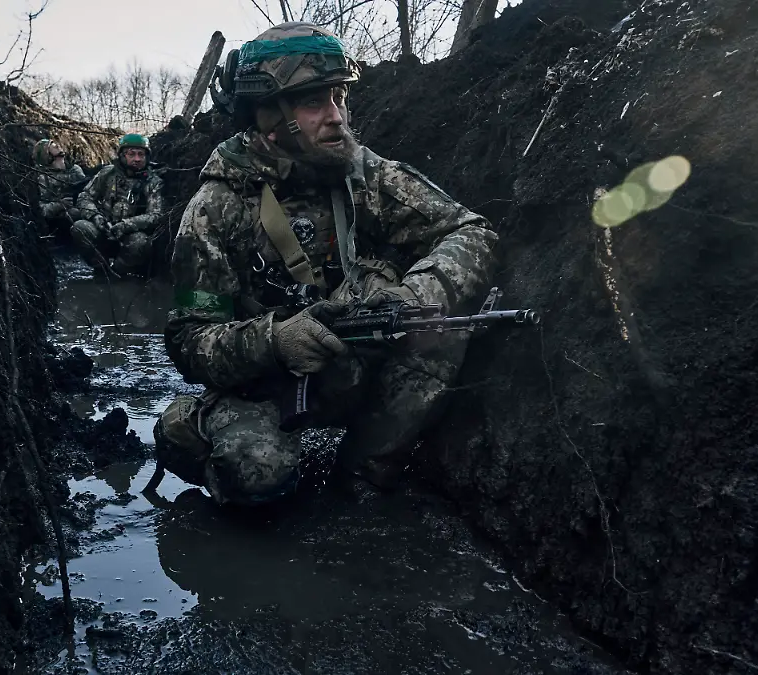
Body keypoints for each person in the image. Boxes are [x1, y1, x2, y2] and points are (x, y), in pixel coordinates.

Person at [152, 22, 500, 506]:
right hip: (262, 388)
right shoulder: (216, 207)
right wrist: (276, 339)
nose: (337, 118)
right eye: (315, 102)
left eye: (340, 97)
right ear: (268, 113)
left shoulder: (363, 173)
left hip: (351, 366)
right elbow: (190, 341)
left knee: (441, 331)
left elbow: (472, 231)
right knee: (257, 478)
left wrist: (414, 296)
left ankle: (362, 479)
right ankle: (192, 431)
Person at [71, 133, 165, 275]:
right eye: (131, 154)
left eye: (141, 155)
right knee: (80, 227)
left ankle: (118, 273)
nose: (137, 159)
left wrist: (126, 225)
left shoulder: (153, 182)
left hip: (130, 237)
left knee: (141, 242)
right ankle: (100, 268)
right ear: (122, 155)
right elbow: (85, 197)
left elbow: (156, 215)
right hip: (103, 229)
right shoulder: (107, 173)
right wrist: (95, 217)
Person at [32, 139, 86, 238]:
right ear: (46, 155)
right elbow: (42, 210)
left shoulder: (75, 169)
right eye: (51, 146)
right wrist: (60, 204)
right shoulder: (43, 178)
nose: (57, 146)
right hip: (61, 221)